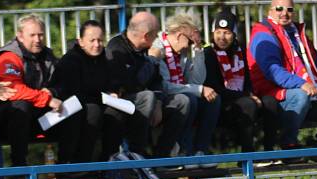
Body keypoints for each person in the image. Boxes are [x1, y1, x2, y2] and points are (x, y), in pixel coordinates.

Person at [248, 0, 317, 151]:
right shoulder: (264, 35)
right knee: (301, 95)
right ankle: (288, 143)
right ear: (270, 11)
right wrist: (302, 83)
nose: (284, 13)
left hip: (302, 87)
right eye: (279, 9)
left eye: (289, 9)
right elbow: (272, 71)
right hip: (272, 92)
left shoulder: (296, 33)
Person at [0, 14, 67, 166]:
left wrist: (53, 92)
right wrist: (47, 99)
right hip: (3, 121)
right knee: (21, 105)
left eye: (40, 35)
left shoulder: (48, 55)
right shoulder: (9, 56)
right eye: (33, 35)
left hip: (37, 118)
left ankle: (70, 164)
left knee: (77, 106)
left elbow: (63, 82)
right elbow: (13, 89)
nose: (37, 39)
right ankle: (19, 166)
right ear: (20, 36)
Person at [203, 9, 278, 153]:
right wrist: (245, 96)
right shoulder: (208, 54)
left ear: (234, 34)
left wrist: (249, 93)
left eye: (227, 33)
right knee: (248, 104)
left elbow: (249, 81)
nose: (222, 37)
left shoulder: (241, 52)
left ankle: (270, 151)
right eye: (218, 32)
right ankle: (247, 154)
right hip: (222, 104)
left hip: (242, 97)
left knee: (270, 102)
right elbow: (214, 87)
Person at [150, 13, 219, 163]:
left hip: (178, 93)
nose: (190, 46)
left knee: (213, 99)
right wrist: (199, 89)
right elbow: (166, 86)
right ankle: (185, 153)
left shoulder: (182, 53)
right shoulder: (158, 48)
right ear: (180, 35)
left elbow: (196, 80)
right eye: (190, 41)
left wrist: (199, 50)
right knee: (190, 99)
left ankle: (201, 151)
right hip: (161, 99)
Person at [48, 20, 113, 162]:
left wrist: (114, 92)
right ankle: (72, 163)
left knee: (117, 113)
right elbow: (74, 91)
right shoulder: (70, 61)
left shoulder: (105, 59)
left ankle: (110, 160)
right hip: (65, 109)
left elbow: (111, 82)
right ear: (81, 41)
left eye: (100, 40)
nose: (97, 45)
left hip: (93, 103)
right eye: (92, 40)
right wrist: (103, 96)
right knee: (92, 111)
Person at [105, 11, 160, 157]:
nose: (157, 39)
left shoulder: (144, 48)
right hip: (119, 100)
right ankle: (136, 153)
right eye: (155, 35)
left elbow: (157, 80)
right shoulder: (116, 49)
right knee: (147, 97)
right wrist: (152, 62)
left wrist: (159, 101)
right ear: (146, 36)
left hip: (137, 97)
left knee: (183, 101)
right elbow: (129, 84)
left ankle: (166, 157)